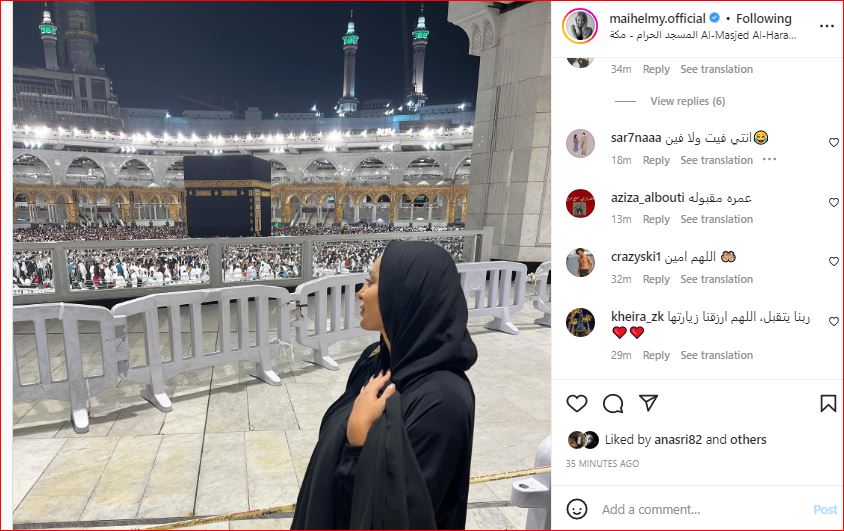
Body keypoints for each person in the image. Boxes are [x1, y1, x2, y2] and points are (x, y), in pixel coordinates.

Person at [292, 241, 478, 529]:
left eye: (371, 281)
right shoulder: (375, 360)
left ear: (405, 294)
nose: (360, 292)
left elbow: (407, 517)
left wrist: (358, 443)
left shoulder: (442, 401)